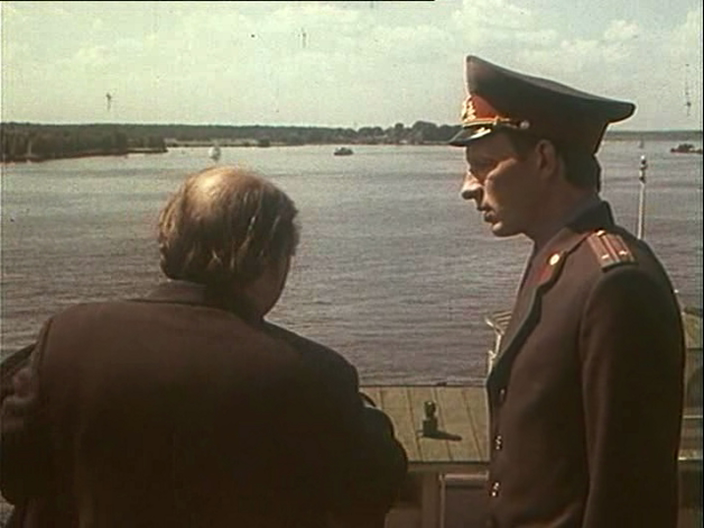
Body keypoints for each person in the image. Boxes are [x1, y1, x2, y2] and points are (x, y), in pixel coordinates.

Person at [0, 166, 407, 528]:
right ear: (272, 261)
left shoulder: (68, 336)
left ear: (169, 243)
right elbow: (373, 489)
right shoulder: (315, 375)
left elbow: (13, 472)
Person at [449, 56, 685, 527]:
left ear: (544, 159)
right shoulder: (560, 261)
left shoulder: (616, 285)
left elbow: (630, 497)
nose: (468, 188)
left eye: (484, 165)